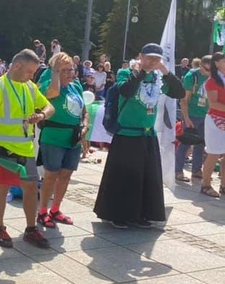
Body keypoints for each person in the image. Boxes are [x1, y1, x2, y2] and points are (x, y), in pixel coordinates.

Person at [93, 43, 185, 228]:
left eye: (156, 58)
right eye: (149, 57)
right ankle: (119, 214)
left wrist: (165, 72)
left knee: (145, 177)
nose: (153, 62)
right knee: (124, 176)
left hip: (147, 135)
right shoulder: (126, 73)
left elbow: (179, 92)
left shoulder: (159, 78)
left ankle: (141, 213)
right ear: (141, 56)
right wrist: (140, 72)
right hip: (127, 134)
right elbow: (125, 90)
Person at [0, 49, 55, 249]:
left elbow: (49, 107)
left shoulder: (30, 87)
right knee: (2, 188)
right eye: (30, 72)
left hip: (26, 149)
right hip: (3, 149)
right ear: (17, 66)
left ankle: (31, 229)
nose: (32, 76)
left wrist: (41, 116)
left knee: (31, 188)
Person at [37, 53, 88, 228]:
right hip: (53, 137)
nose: (70, 73)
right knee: (51, 175)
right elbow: (53, 92)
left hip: (73, 138)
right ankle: (43, 211)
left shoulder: (76, 87)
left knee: (66, 175)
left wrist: (85, 126)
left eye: (71, 69)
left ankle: (56, 209)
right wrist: (55, 72)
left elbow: (84, 111)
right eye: (64, 70)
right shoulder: (47, 85)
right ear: (55, 71)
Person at [176, 55, 211, 182]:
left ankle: (196, 170)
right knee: (186, 142)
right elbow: (184, 100)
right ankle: (178, 170)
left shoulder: (214, 76)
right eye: (206, 69)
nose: (208, 72)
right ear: (201, 65)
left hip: (206, 115)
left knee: (201, 143)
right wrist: (186, 118)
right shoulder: (192, 76)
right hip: (192, 114)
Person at [200, 52, 225, 197]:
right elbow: (214, 103)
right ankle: (206, 184)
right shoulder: (212, 81)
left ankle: (223, 185)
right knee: (213, 153)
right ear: (216, 63)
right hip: (216, 120)